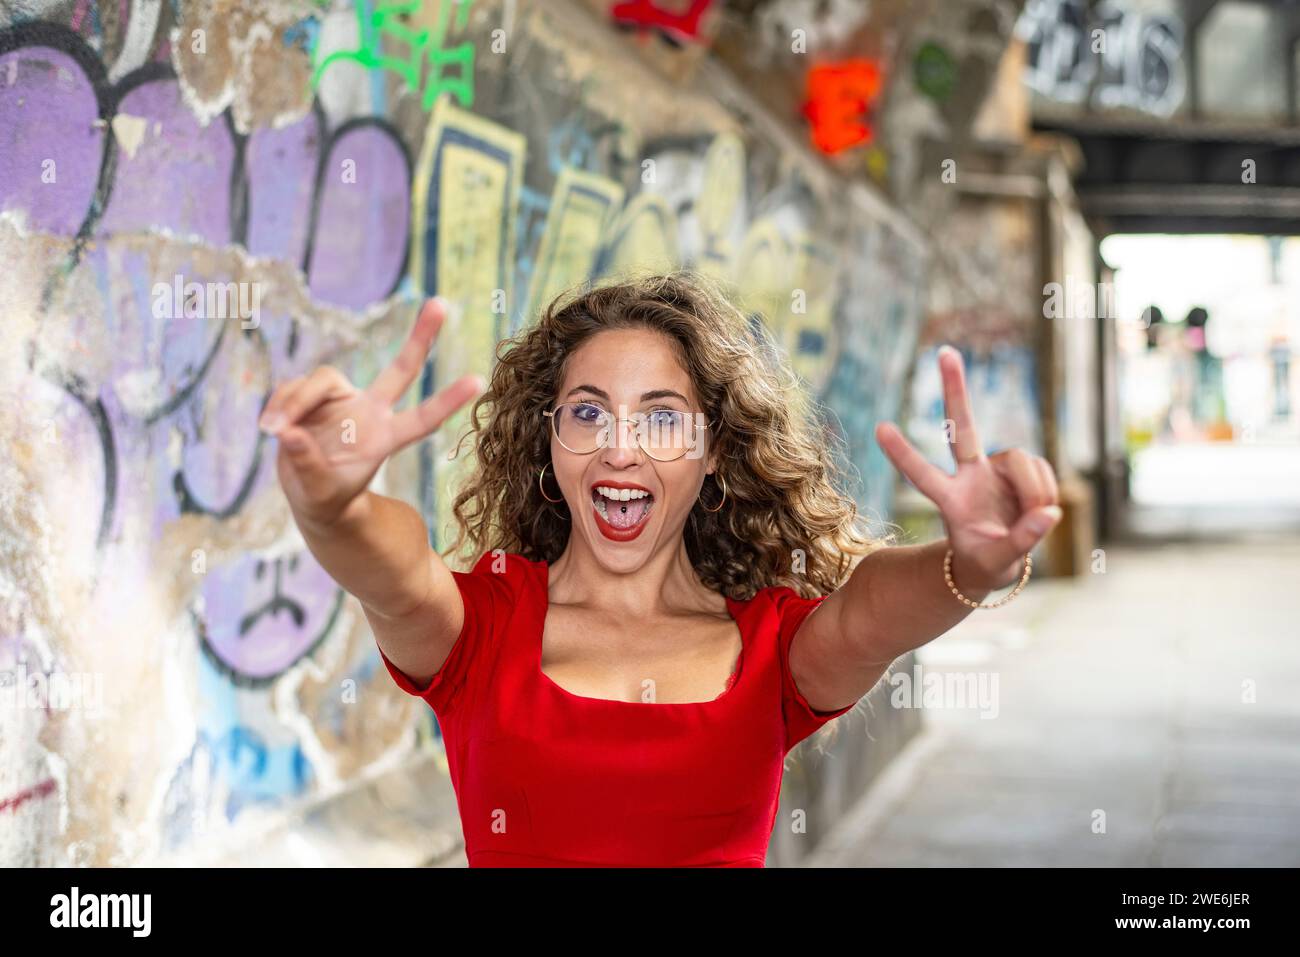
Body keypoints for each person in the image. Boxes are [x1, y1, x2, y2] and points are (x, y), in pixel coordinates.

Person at [260, 273, 1061, 867]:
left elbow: (869, 611)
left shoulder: (772, 649)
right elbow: (395, 569)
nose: (620, 447)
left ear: (713, 450)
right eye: (587, 411)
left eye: (661, 416)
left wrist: (973, 561)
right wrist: (332, 505)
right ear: (551, 441)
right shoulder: (481, 627)